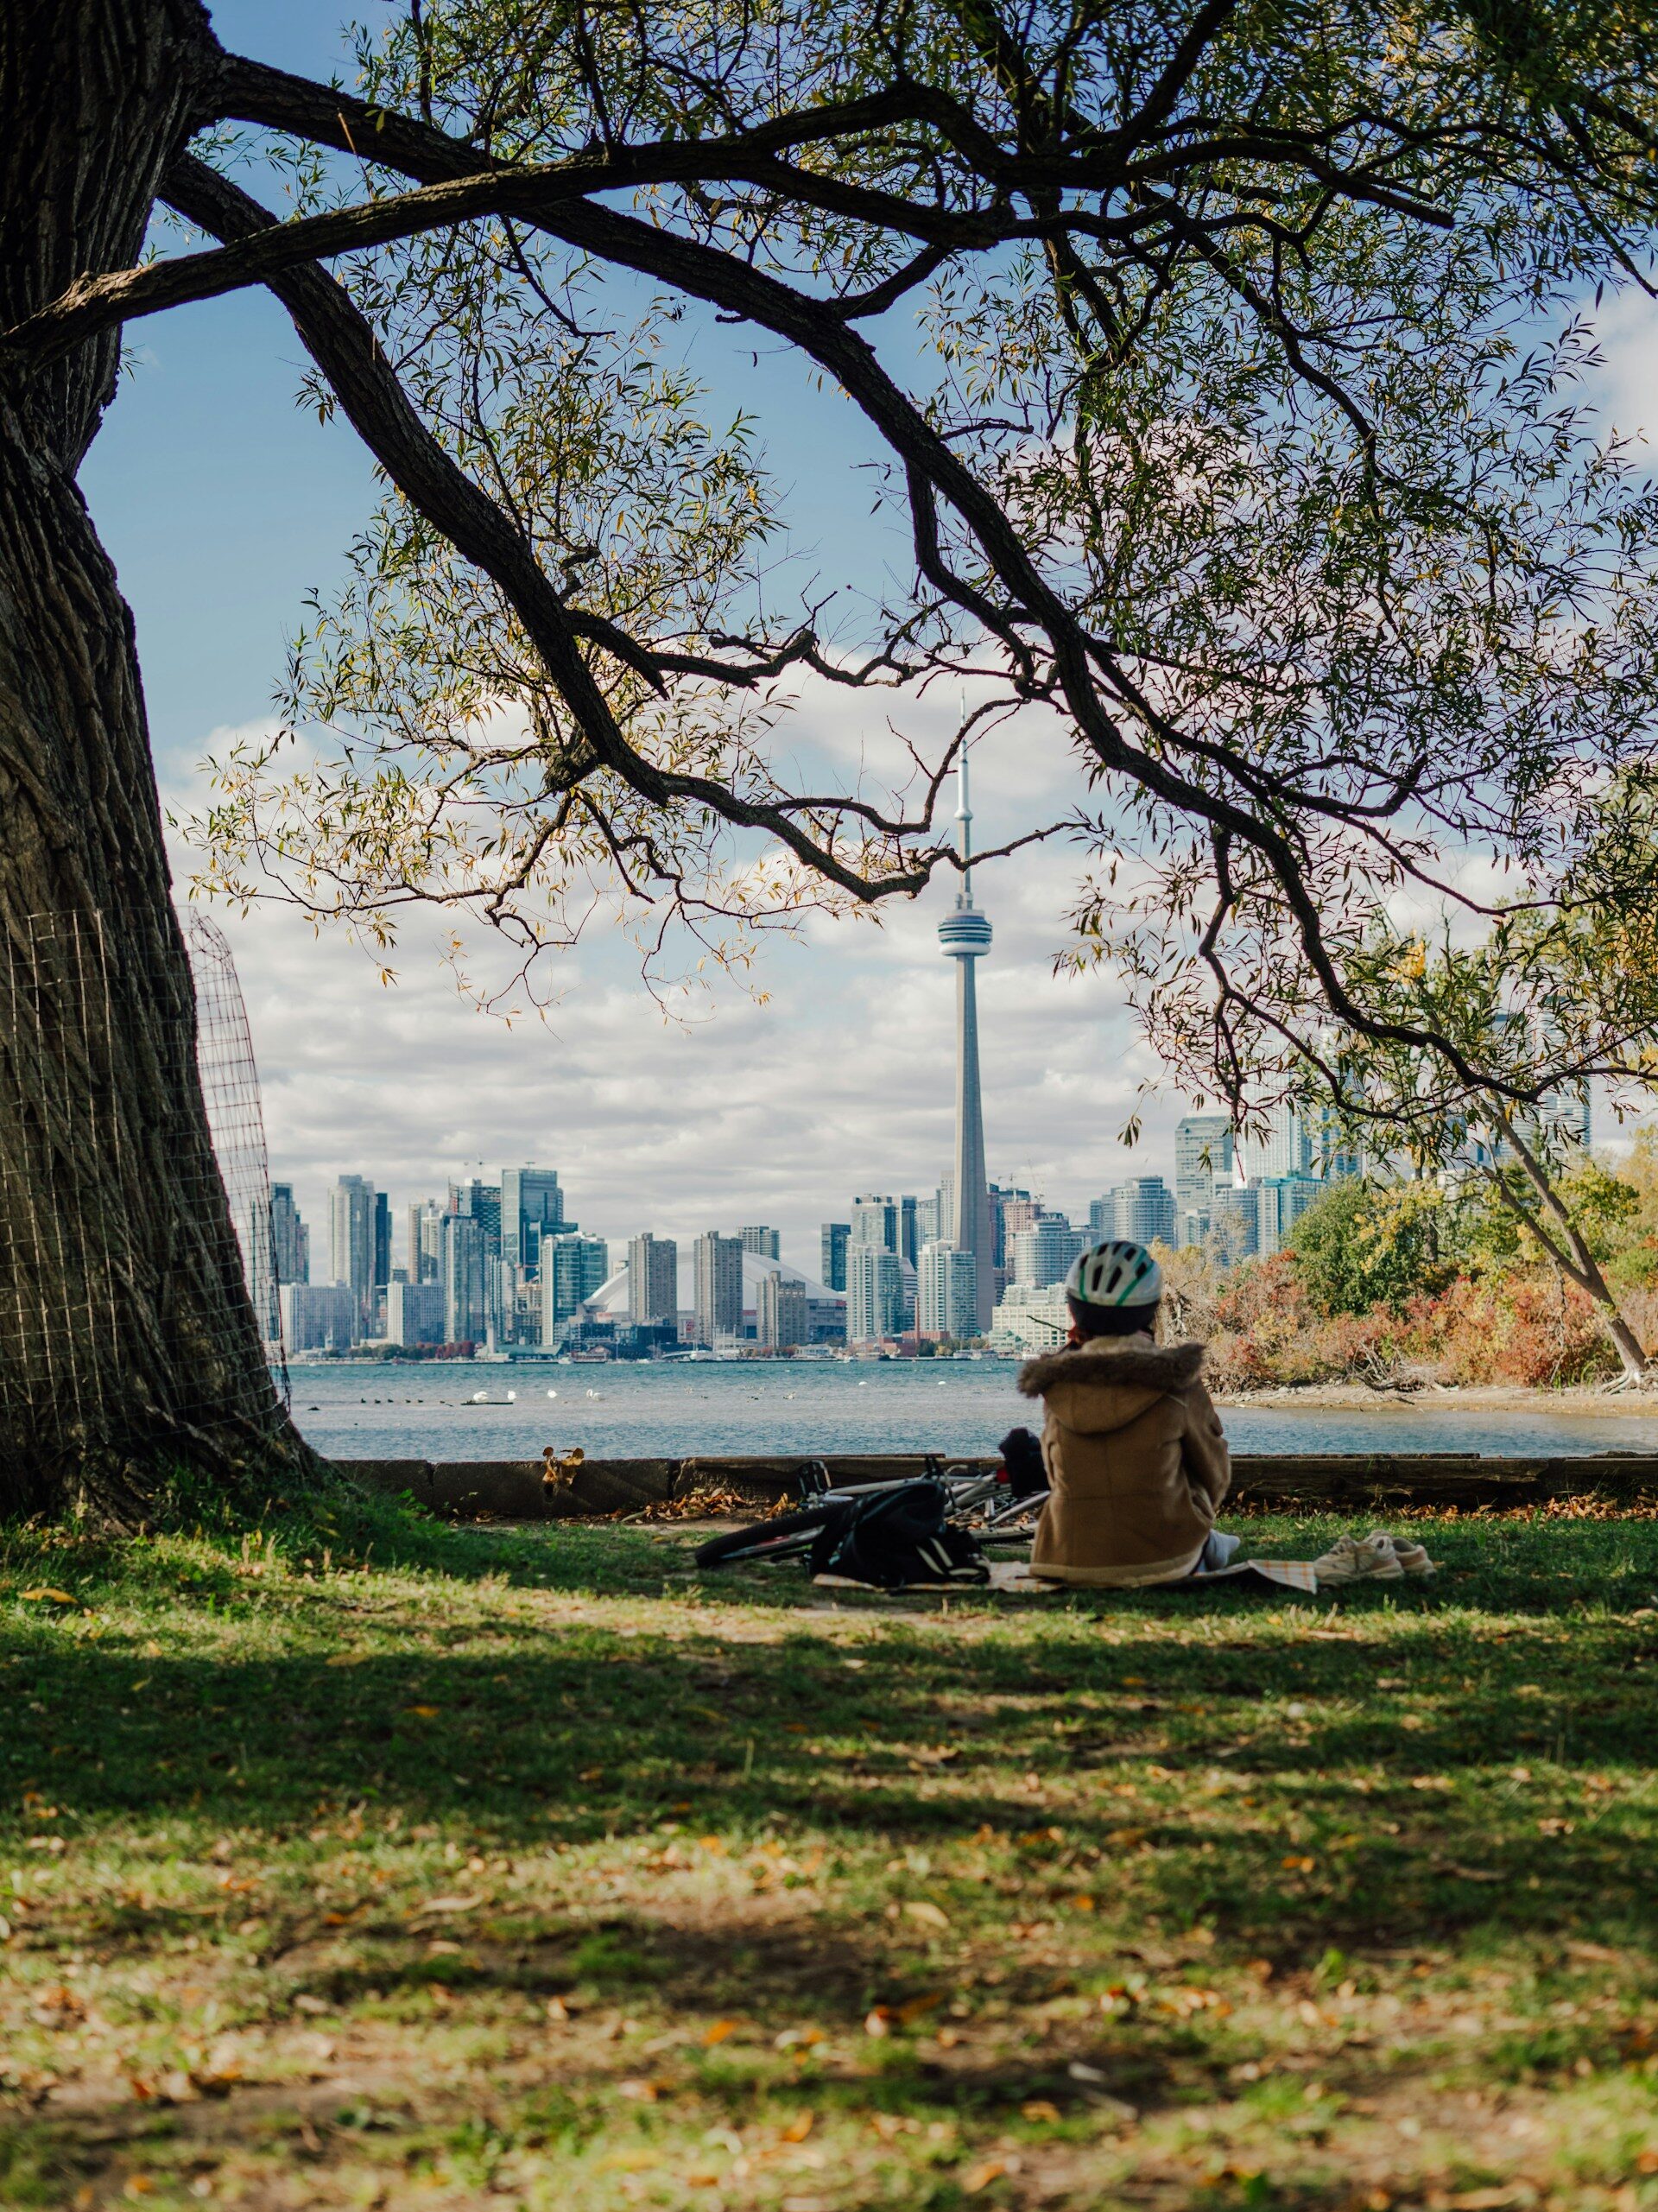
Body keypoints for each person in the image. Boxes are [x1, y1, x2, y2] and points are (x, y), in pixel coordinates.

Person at [1006, 1239, 1236, 1588]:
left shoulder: (1056, 1387)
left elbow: (1055, 1476)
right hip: (1164, 1559)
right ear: (1152, 1310)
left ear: (1073, 1311)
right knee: (1198, 1478)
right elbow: (1215, 1474)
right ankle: (1211, 1545)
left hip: (1068, 1561)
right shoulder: (1178, 1381)